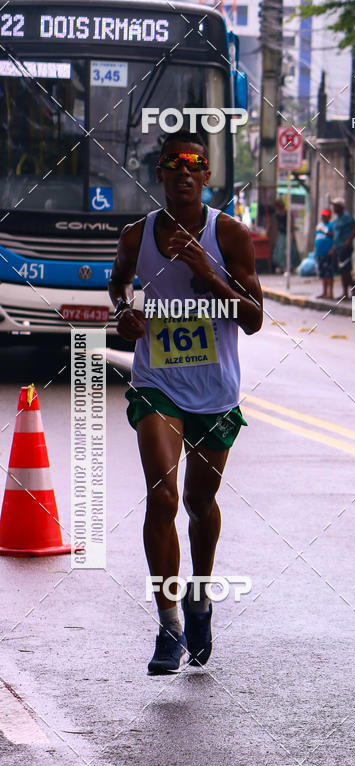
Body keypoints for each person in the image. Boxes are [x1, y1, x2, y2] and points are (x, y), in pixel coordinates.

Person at [108, 128, 263, 675]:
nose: (183, 171)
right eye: (172, 163)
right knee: (162, 497)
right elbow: (119, 286)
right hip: (159, 384)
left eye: (194, 163)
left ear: (206, 175)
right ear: (160, 174)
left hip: (214, 393)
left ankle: (199, 598)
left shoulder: (231, 235)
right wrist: (122, 314)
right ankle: (168, 621)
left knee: (200, 503)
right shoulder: (136, 236)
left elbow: (254, 318)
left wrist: (208, 275)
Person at [330, 197, 355, 301]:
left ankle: (349, 290)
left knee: (345, 269)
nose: (334, 208)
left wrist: (349, 240)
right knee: (342, 271)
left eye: (336, 206)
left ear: (341, 207)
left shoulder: (347, 217)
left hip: (345, 247)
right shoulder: (336, 220)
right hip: (338, 247)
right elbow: (336, 235)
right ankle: (348, 291)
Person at [314, 208, 334, 299]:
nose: (323, 217)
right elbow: (317, 237)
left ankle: (330, 293)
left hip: (328, 252)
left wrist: (324, 231)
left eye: (325, 215)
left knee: (329, 273)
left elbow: (334, 235)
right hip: (320, 253)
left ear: (329, 216)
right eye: (322, 215)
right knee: (322, 274)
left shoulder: (331, 225)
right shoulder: (319, 225)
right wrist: (315, 252)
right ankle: (324, 292)